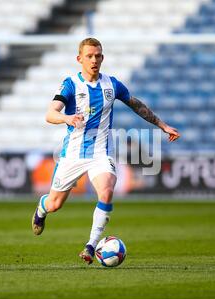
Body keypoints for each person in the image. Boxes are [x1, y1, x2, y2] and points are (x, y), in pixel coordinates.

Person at [32, 37, 180, 264]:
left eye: (98, 56)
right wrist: (67, 118)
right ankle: (41, 211)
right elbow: (50, 114)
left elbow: (137, 105)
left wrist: (162, 125)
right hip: (73, 154)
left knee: (107, 190)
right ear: (79, 59)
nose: (94, 60)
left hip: (101, 153)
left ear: (103, 58)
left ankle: (91, 246)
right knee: (54, 204)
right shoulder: (71, 84)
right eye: (89, 56)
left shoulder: (112, 85)